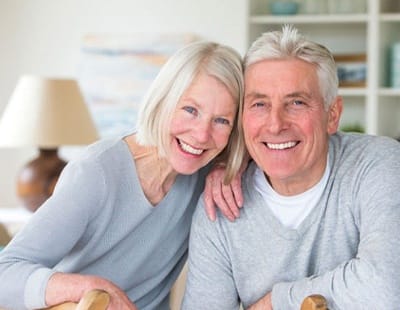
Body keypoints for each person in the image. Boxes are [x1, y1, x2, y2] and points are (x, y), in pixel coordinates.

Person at [0, 41, 245, 310]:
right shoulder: (96, 173)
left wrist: (231, 165)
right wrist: (89, 287)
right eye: (190, 110)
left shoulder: (206, 173)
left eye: (222, 121)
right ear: (163, 100)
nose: (201, 135)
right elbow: (5, 274)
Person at [182, 25, 400, 309]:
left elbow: (387, 288)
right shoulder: (220, 206)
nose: (275, 124)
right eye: (259, 104)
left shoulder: (378, 165)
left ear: (332, 115)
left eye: (296, 102)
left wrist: (275, 302)